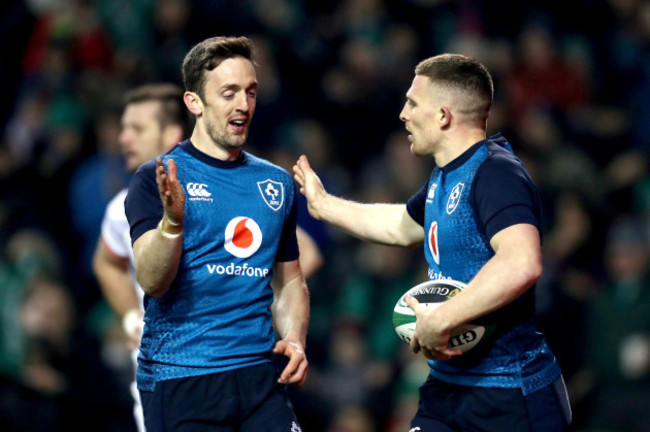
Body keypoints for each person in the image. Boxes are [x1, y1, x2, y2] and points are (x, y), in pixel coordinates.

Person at [293, 53, 572, 431]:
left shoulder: (495, 173)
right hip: (449, 389)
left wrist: (443, 318)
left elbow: (521, 261)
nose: (403, 114)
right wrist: (324, 206)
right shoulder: (444, 178)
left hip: (509, 395)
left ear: (443, 115)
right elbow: (400, 226)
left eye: (412, 103)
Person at [124, 36, 309, 432]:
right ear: (195, 103)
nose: (243, 105)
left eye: (250, 92)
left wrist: (294, 337)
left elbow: (290, 280)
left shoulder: (275, 183)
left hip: (260, 378)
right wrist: (172, 222)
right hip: (182, 377)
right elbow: (153, 282)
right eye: (229, 93)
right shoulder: (156, 178)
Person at [92, 83, 190, 432]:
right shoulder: (121, 206)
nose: (123, 139)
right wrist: (133, 318)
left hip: (224, 373)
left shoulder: (223, 192)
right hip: (156, 383)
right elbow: (105, 262)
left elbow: (305, 255)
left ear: (172, 133)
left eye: (137, 129)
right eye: (123, 128)